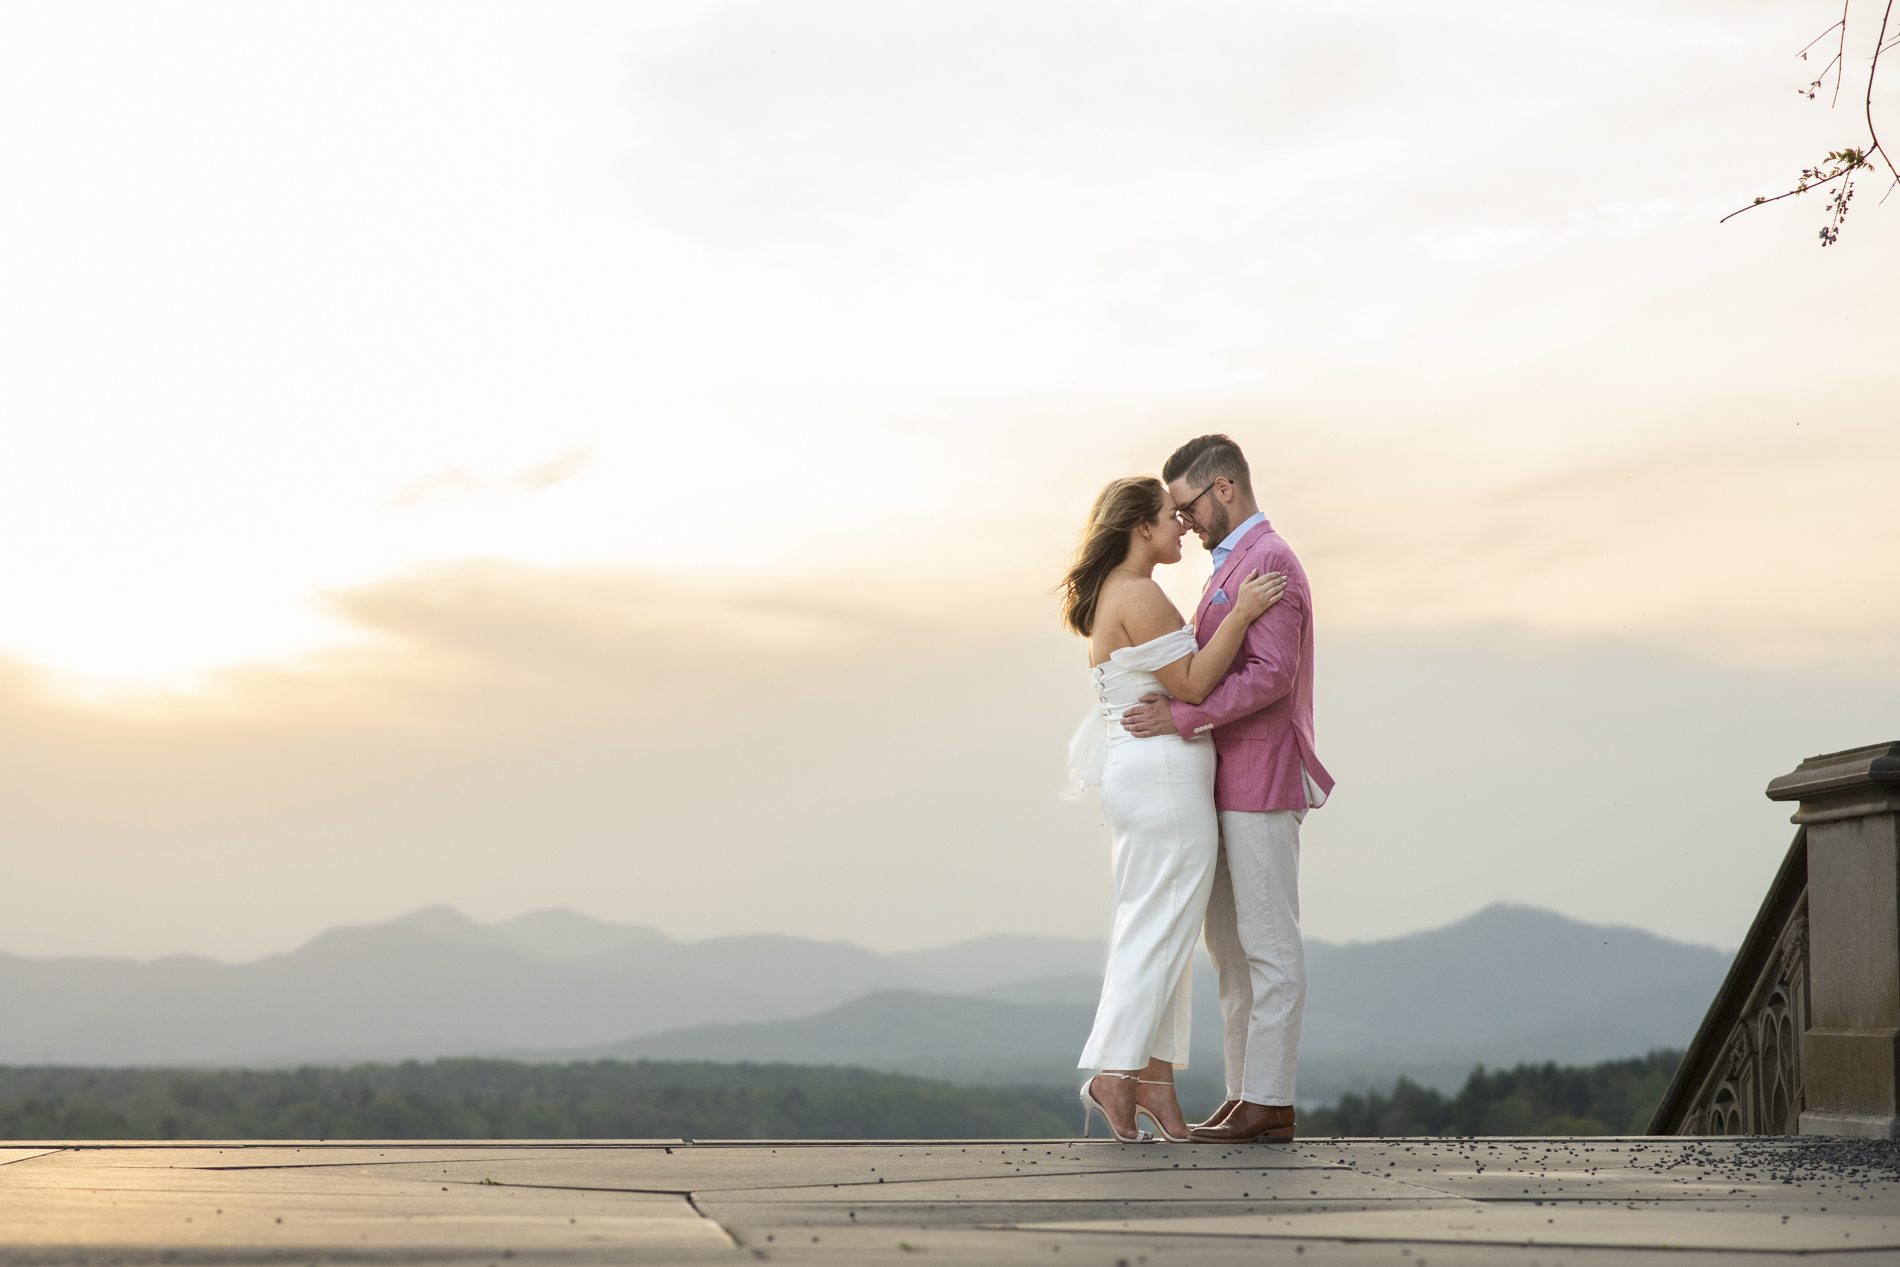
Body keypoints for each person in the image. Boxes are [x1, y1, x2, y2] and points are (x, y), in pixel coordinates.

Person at [1119, 434, 1334, 1144]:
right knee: (1232, 954)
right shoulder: (1228, 568)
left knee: (1270, 944)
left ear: (1223, 489)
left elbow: (1270, 674)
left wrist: (1182, 716)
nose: (1181, 521)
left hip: (1262, 777)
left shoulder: (1268, 561)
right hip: (1226, 782)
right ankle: (1247, 1095)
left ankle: (1270, 1099)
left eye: (1186, 506)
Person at [1059, 475, 1285, 1143]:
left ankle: (1154, 1080)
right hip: (1162, 779)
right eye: (1169, 515)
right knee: (1157, 929)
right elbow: (1193, 682)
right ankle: (1114, 1069)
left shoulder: (1112, 594)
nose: (1181, 524)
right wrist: (1241, 613)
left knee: (1160, 924)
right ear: (1139, 528)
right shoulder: (1140, 593)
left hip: (1140, 775)